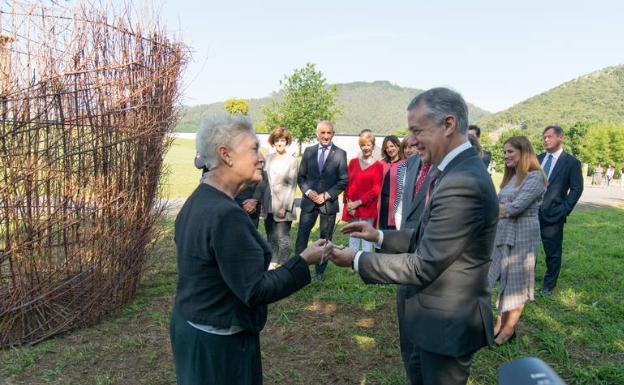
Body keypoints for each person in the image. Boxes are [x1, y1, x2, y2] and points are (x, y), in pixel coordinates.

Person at [327, 87, 499, 385]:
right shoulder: (449, 171)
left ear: (448, 125)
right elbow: (426, 237)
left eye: (418, 130)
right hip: (428, 318)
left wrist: (356, 259)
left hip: (445, 324)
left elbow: (423, 264)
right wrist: (379, 236)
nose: (411, 140)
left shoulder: (464, 182)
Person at [170, 114, 327, 385]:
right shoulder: (226, 215)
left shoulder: (199, 199)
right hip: (219, 348)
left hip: (192, 327)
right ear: (226, 155)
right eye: (253, 148)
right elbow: (255, 290)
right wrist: (303, 260)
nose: (261, 157)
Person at [488, 136, 547, 345]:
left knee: (517, 283)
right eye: (504, 152)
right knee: (502, 279)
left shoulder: (535, 177)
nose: (505, 156)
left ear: (524, 152)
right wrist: (498, 208)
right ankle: (499, 323)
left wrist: (495, 209)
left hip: (523, 235)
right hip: (503, 233)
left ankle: (508, 330)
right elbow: (499, 204)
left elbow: (515, 208)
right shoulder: (510, 178)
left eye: (510, 152)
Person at [295, 120, 348, 281]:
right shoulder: (309, 151)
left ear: (333, 134)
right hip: (309, 203)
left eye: (329, 133)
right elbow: (301, 177)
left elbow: (343, 180)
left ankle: (320, 272)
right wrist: (309, 192)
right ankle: (298, 269)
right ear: (317, 133)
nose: (326, 136)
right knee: (302, 235)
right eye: (322, 132)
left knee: (325, 238)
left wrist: (326, 195)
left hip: (328, 204)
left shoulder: (340, 154)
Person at [537, 125, 583, 296]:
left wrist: (564, 209)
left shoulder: (571, 162)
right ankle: (525, 277)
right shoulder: (537, 158)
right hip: (531, 212)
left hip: (553, 215)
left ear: (560, 137)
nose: (546, 140)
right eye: (544, 137)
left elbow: (577, 189)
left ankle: (548, 285)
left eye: (549, 136)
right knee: (527, 248)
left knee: (553, 252)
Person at [262, 125, 298, 268]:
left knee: (283, 237)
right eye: (277, 140)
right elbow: (263, 181)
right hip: (268, 203)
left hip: (283, 204)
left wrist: (285, 206)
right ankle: (272, 262)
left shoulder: (292, 160)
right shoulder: (267, 158)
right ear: (273, 141)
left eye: (282, 140)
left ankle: (285, 265)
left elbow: (292, 185)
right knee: (270, 236)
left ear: (287, 141)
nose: (279, 143)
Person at [342, 130, 383, 252]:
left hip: (368, 207)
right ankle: (351, 261)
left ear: (373, 146)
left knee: (366, 237)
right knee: (353, 235)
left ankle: (364, 263)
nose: (366, 148)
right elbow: (347, 184)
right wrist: (349, 204)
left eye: (368, 144)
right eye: (363, 145)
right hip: (352, 207)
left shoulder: (378, 166)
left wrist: (358, 202)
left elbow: (376, 189)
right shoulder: (353, 162)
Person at [378, 135, 406, 230]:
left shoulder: (404, 163)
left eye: (392, 146)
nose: (390, 149)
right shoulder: (381, 163)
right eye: (387, 147)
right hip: (382, 204)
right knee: (382, 232)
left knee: (394, 233)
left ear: (398, 146)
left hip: (397, 205)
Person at [393, 136, 420, 229]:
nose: (407, 150)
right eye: (405, 147)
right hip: (400, 210)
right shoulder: (401, 167)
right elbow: (399, 190)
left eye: (411, 147)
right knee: (400, 238)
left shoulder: (422, 167)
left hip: (414, 211)